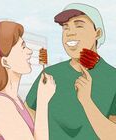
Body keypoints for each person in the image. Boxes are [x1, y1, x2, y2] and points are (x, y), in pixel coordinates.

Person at [26, 3, 116, 140]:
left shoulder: (112, 78)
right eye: (65, 27)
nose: (69, 32)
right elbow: (27, 122)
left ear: (97, 33)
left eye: (79, 25)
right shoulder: (49, 75)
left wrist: (86, 101)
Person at [0, 21, 56, 140]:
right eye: (23, 47)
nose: (29, 51)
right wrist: (42, 100)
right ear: (5, 62)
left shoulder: (15, 99)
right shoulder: (0, 104)